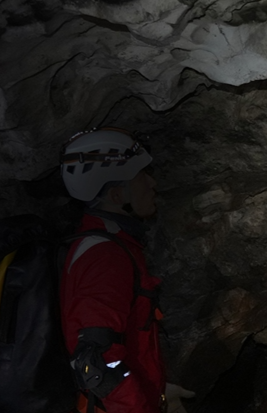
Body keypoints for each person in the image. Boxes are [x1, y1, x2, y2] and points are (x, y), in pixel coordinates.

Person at [59, 127, 194, 413]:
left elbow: (126, 342)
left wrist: (157, 391)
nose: (153, 183)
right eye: (143, 175)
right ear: (118, 195)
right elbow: (97, 362)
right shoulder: (105, 256)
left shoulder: (111, 243)